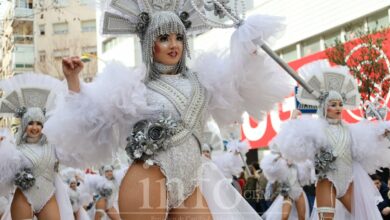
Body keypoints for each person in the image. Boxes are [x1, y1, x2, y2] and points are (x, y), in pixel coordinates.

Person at [44, 1, 293, 219]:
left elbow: (241, 85)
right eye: (164, 38)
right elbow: (91, 116)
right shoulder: (133, 87)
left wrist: (248, 51)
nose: (173, 44)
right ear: (150, 44)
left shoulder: (204, 80)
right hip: (148, 177)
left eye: (178, 37)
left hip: (189, 183)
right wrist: (74, 81)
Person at [272, 60, 390, 219]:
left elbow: (366, 142)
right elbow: (293, 145)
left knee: (361, 216)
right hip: (327, 180)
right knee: (326, 218)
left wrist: (381, 133)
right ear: (324, 107)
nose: (338, 108)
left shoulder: (350, 129)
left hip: (348, 180)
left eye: (340, 104)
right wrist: (293, 123)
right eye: (333, 104)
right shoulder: (316, 129)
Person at [0, 74, 73, 219]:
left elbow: (72, 152)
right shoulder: (14, 147)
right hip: (23, 198)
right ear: (24, 125)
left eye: (39, 123)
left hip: (48, 197)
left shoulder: (54, 145)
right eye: (30, 123)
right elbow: (5, 176)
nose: (35, 127)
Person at [261, 144, 311, 220]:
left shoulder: (300, 161)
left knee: (302, 217)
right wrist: (280, 156)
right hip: (287, 191)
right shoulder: (281, 159)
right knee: (284, 216)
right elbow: (271, 165)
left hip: (298, 191)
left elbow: (305, 175)